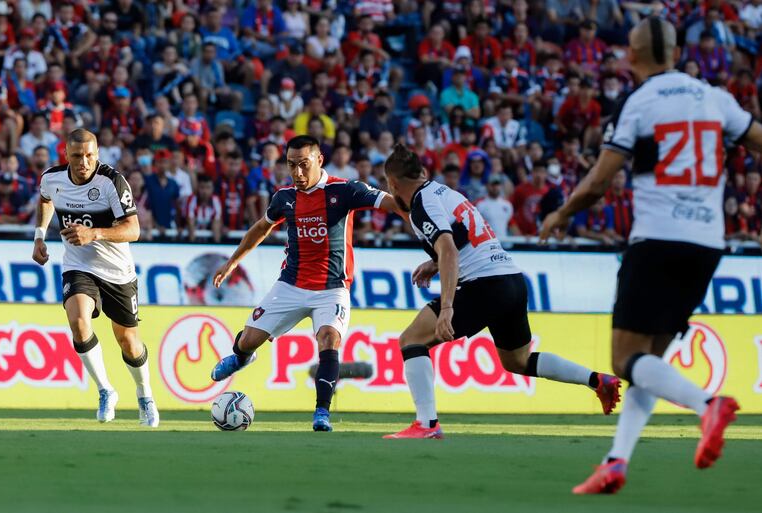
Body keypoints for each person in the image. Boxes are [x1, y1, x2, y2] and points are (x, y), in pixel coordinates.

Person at [540, 17, 756, 494]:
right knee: (649, 361)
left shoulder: (638, 102)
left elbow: (599, 181)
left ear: (632, 58)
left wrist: (561, 214)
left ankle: (708, 406)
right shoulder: (717, 99)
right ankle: (615, 461)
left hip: (658, 239)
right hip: (708, 245)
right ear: (677, 53)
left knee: (623, 359)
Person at [381, 144, 621, 440]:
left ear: (393, 184)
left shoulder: (420, 204)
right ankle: (597, 380)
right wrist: (434, 263)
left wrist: (447, 308)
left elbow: (448, 250)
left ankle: (427, 424)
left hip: (485, 285)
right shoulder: (445, 193)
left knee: (411, 340)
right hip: (512, 281)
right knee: (517, 361)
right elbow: (459, 239)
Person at [210, 136, 406, 432]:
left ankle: (321, 413)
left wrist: (411, 202)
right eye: (292, 166)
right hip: (291, 285)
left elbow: (390, 203)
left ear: (319, 160)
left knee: (329, 338)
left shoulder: (345, 190)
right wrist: (233, 262)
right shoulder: (284, 197)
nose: (298, 173)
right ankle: (241, 357)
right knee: (248, 340)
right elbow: (262, 228)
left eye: (304, 165)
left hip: (331, 288)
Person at [31, 128, 158, 427]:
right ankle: (105, 390)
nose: (84, 162)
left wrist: (95, 233)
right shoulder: (52, 178)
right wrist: (39, 236)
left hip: (117, 271)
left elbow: (134, 230)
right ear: (66, 155)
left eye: (89, 155)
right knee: (78, 321)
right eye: (77, 156)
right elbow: (45, 200)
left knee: (128, 341)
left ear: (97, 154)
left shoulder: (112, 182)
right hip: (78, 265)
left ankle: (145, 394)